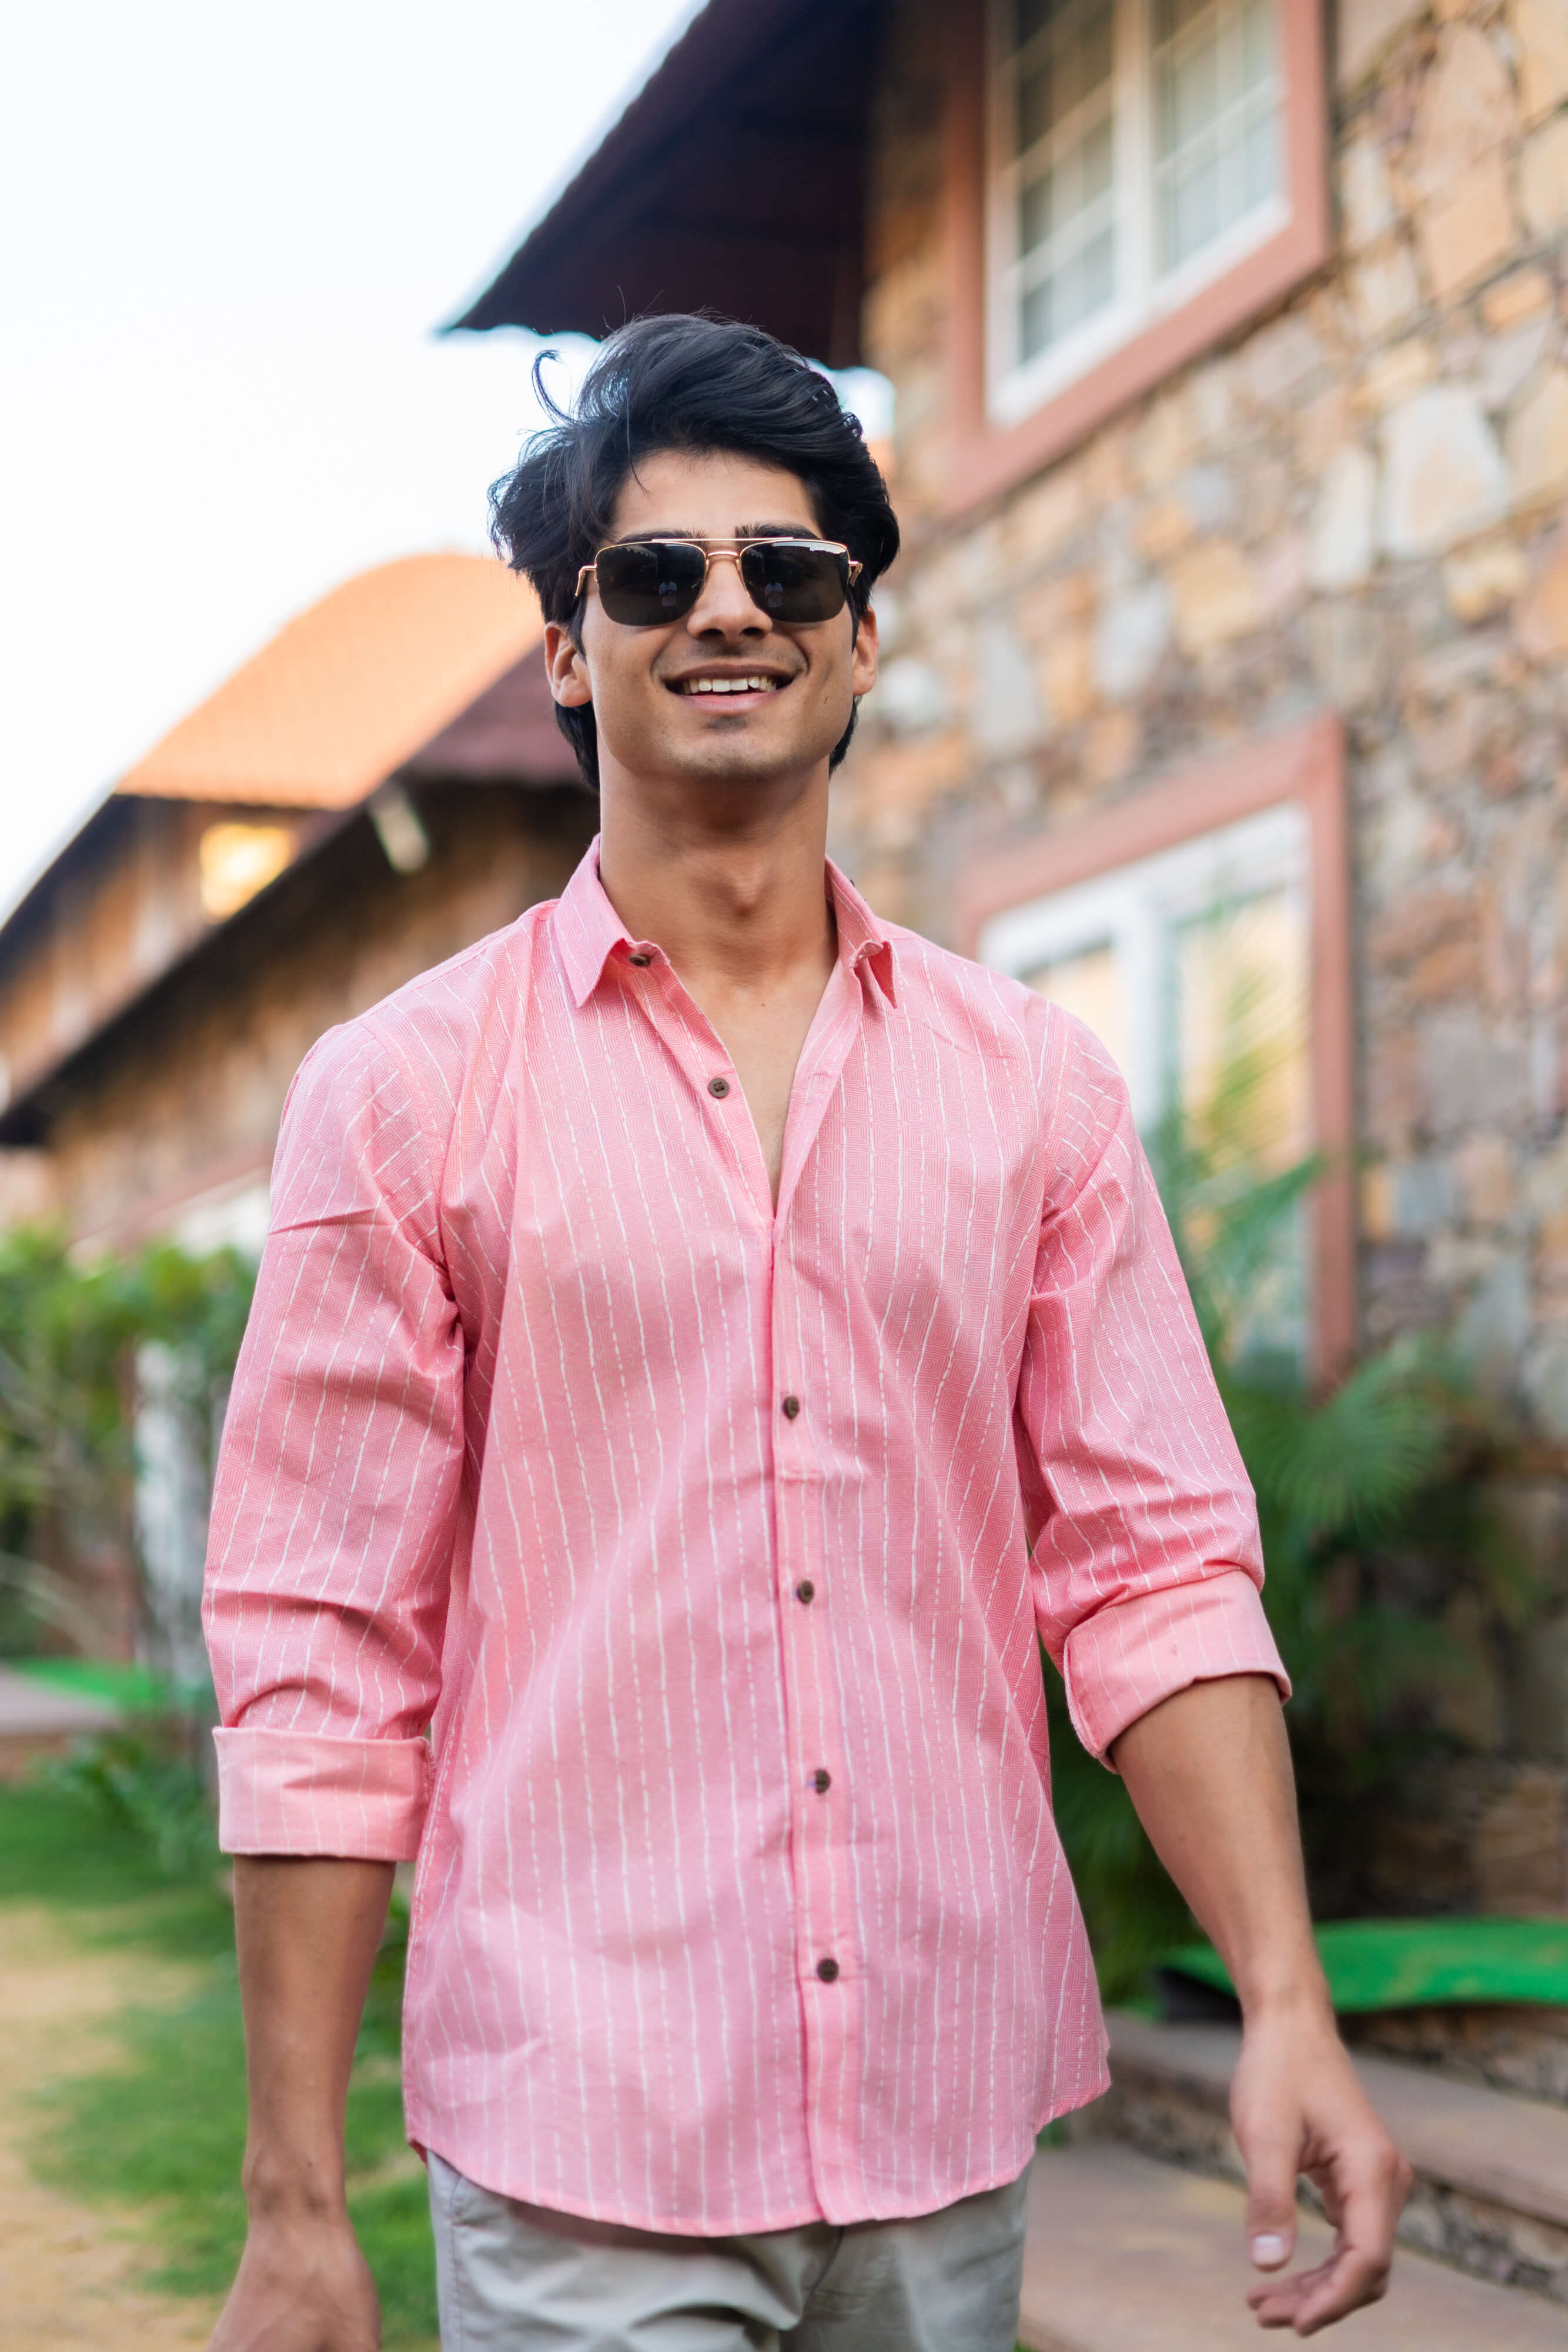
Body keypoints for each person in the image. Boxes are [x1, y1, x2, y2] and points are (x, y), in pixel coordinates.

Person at [203, 313, 1409, 2352]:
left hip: (947, 2123)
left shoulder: (1033, 1086)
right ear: (571, 651)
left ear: (859, 642)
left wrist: (1286, 2001)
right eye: (655, 575)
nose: (728, 610)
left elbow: (1149, 1569)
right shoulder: (399, 1097)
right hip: (581, 2133)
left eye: (792, 572)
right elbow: (326, 1660)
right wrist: (294, 2200)